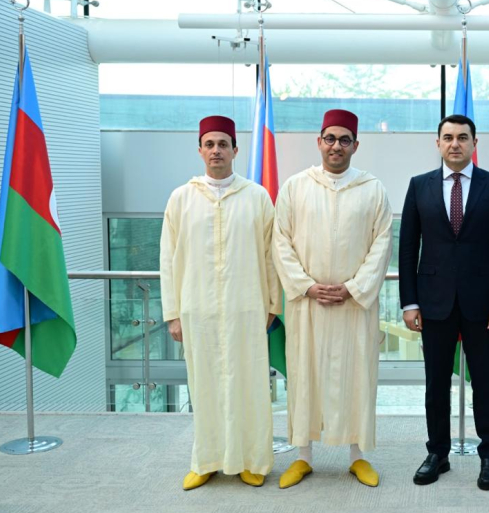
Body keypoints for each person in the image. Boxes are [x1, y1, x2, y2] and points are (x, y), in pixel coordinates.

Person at [160, 114, 282, 491]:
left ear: (235, 150)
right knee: (205, 385)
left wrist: (272, 306)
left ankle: (252, 460)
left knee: (250, 385)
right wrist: (173, 314)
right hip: (197, 310)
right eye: (209, 144)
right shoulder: (182, 198)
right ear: (200, 150)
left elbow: (271, 255)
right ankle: (207, 460)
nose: (216, 150)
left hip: (247, 308)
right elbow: (168, 259)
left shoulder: (256, 197)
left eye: (223, 144)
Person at [273, 108, 393, 489]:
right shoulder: (295, 187)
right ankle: (302, 456)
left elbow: (382, 244)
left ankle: (358, 457)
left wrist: (354, 288)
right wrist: (307, 285)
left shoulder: (372, 189)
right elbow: (280, 242)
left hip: (354, 306)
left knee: (357, 378)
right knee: (304, 377)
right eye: (330, 138)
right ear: (319, 142)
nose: (336, 146)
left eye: (344, 140)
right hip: (307, 305)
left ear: (356, 145)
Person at [399, 114, 489, 491]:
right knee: (436, 385)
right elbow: (407, 249)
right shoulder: (419, 186)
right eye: (448, 137)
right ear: (437, 143)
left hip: (483, 306)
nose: (455, 144)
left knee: (485, 383)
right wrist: (409, 303)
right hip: (433, 303)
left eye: (462, 138)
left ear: (474, 143)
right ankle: (437, 453)